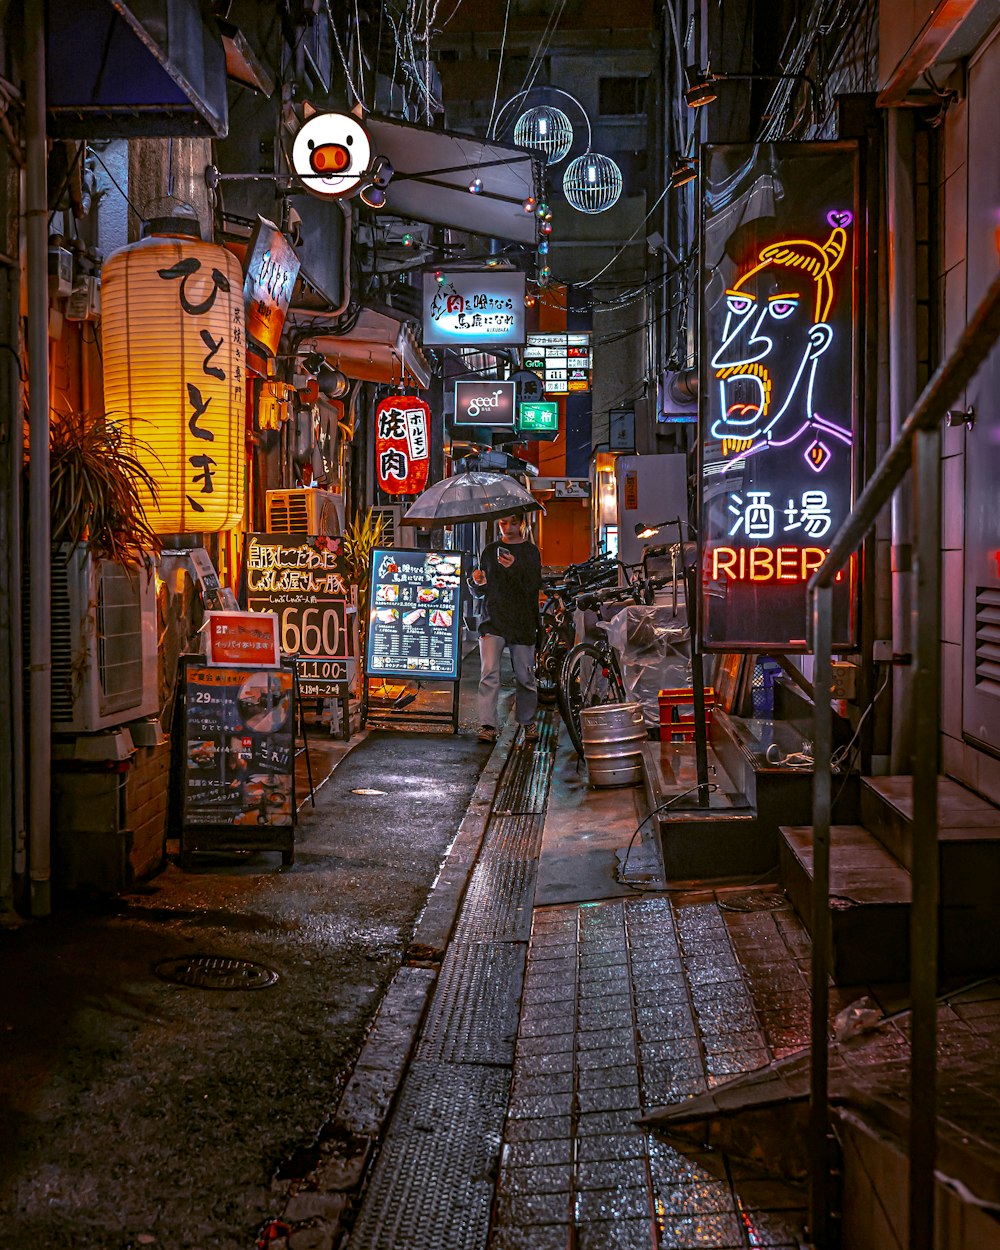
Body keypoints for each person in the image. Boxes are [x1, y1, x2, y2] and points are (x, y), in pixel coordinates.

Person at [470, 513, 542, 744]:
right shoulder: (490, 551)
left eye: (513, 522)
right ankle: (488, 725)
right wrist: (478, 582)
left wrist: (514, 567)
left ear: (522, 523)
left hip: (522, 621)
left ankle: (528, 721)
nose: (507, 527)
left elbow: (532, 588)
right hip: (493, 619)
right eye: (503, 523)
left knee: (525, 676)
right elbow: (482, 591)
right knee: (489, 673)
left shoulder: (530, 552)